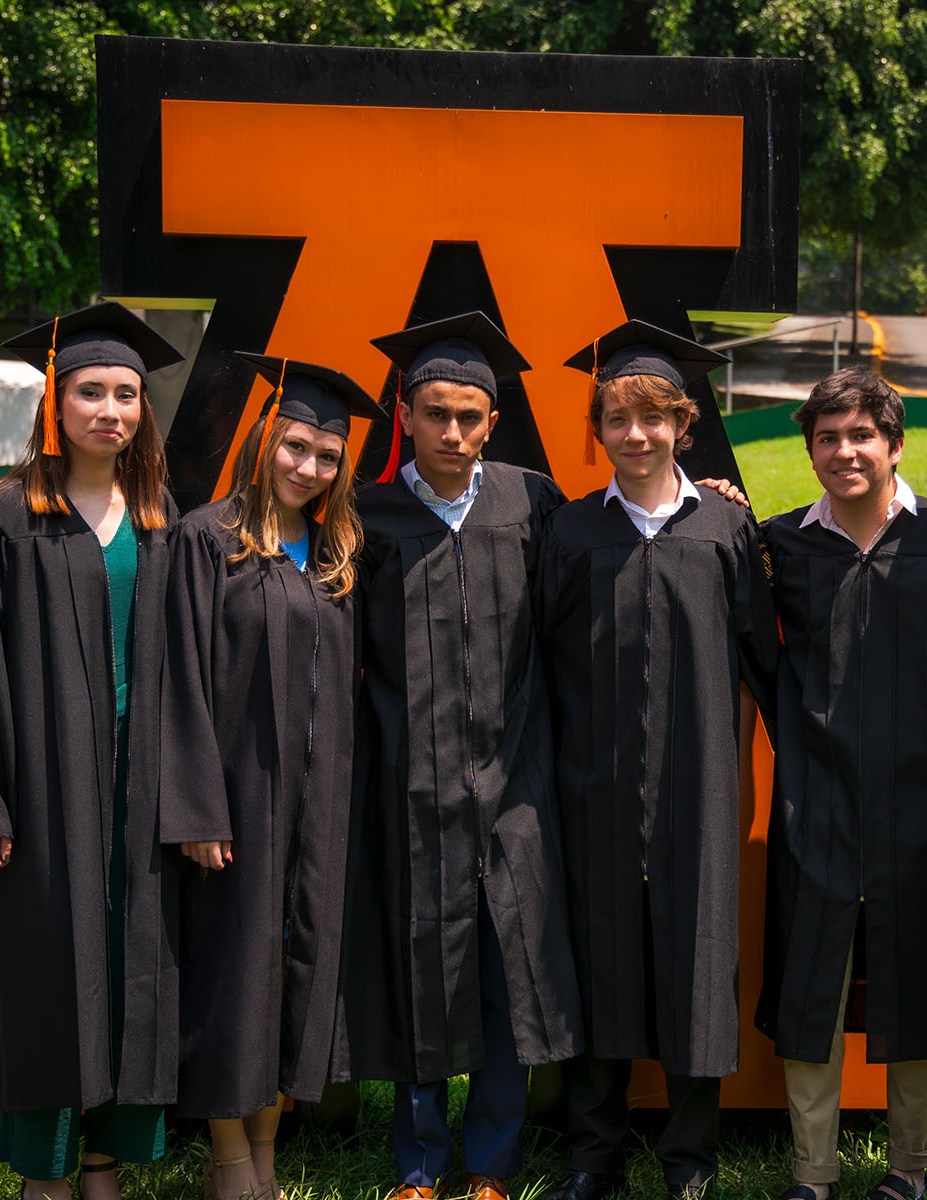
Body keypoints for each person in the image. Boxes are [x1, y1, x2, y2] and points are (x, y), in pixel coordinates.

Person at [0, 302, 184, 1200]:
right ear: (55, 404)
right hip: (45, 784)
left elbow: (184, 666)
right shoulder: (4, 515)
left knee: (131, 959)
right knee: (48, 972)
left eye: (126, 394)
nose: (110, 410)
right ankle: (45, 1165)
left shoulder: (156, 517)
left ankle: (105, 1159)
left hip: (138, 781)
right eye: (91, 392)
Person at [336, 312, 583, 1200]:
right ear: (405, 414)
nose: (452, 432)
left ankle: (491, 1161)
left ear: (494, 422)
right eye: (435, 413)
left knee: (507, 974)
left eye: (469, 416)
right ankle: (416, 1161)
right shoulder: (365, 514)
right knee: (420, 968)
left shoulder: (532, 500)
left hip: (515, 783)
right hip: (411, 785)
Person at [537, 320, 778, 1200]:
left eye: (652, 419)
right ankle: (591, 1155)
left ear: (683, 424)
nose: (634, 436)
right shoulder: (567, 532)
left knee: (696, 965)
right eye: (615, 419)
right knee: (600, 963)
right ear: (598, 430)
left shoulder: (725, 529)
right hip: (591, 788)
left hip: (699, 790)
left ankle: (689, 1158)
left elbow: (766, 658)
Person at [159, 354, 383, 1200]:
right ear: (263, 441)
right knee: (232, 972)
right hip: (236, 799)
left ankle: (268, 1156)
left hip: (317, 801)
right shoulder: (203, 540)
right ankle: (228, 1163)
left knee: (296, 975)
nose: (308, 467)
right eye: (296, 446)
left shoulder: (335, 550)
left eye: (326, 456)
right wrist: (196, 810)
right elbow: (177, 681)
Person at [755, 369, 927, 1200]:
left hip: (921, 803)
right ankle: (811, 1176)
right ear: (809, 448)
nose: (843, 452)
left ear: (894, 444)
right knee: (810, 983)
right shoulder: (780, 545)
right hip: (815, 796)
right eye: (827, 438)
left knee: (912, 982)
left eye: (860, 436)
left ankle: (908, 1172)